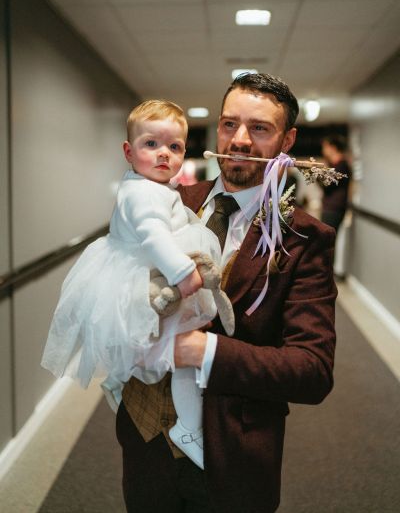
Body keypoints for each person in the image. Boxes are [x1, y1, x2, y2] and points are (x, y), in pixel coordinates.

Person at [116, 73, 337, 513]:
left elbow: (312, 370)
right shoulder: (168, 197)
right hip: (144, 443)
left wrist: (205, 351)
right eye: (229, 124)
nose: (238, 140)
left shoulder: (303, 238)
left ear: (286, 140)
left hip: (233, 455)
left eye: (259, 128)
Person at [42, 99, 230, 468]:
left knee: (148, 345)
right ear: (129, 152)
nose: (164, 154)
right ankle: (188, 429)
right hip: (147, 275)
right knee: (181, 359)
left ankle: (118, 379)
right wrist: (183, 273)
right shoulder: (143, 192)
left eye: (174, 147)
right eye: (151, 145)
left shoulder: (146, 186)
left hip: (144, 275)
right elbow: (152, 235)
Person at [321, 134, 351, 233]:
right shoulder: (337, 165)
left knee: (327, 239)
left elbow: (327, 184)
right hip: (332, 208)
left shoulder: (341, 166)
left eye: (325, 147)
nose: (323, 150)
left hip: (334, 209)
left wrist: (315, 174)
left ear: (333, 148)